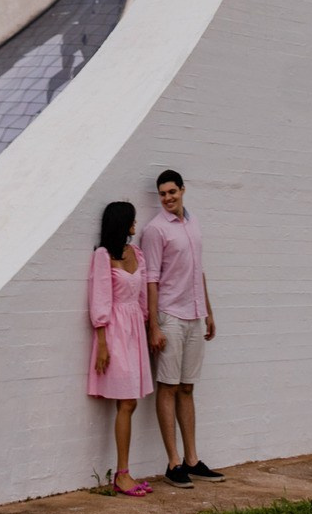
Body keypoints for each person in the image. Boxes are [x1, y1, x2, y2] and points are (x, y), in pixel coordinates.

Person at [141, 168, 223, 487]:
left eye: (172, 192)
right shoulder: (155, 230)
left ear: (183, 190)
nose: (168, 198)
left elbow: (198, 270)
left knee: (188, 387)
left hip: (194, 313)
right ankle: (173, 462)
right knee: (169, 385)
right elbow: (151, 279)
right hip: (169, 315)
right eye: (162, 194)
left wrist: (209, 312)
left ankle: (192, 460)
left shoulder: (193, 222)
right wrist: (153, 326)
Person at [87, 199, 153, 496]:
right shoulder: (103, 256)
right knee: (126, 402)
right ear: (121, 223)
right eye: (132, 220)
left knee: (131, 401)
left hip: (135, 329)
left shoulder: (135, 252)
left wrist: (149, 327)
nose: (135, 226)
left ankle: (124, 472)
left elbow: (141, 297)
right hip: (114, 331)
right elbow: (99, 297)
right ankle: (122, 474)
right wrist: (101, 343)